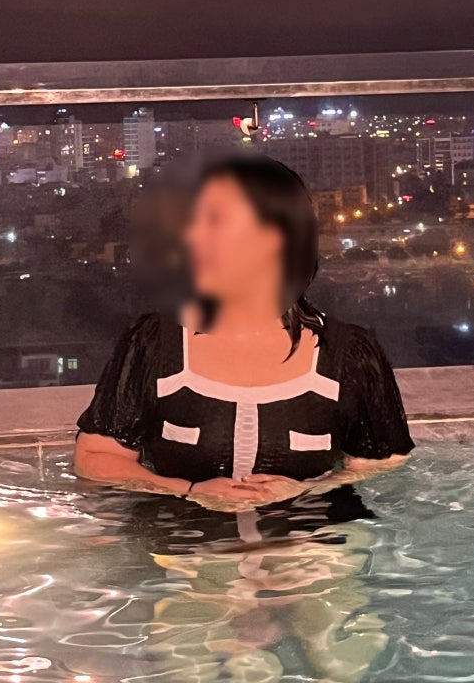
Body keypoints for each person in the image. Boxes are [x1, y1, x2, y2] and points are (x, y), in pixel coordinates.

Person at [75, 152, 414, 511]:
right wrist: (189, 490)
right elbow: (94, 457)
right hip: (181, 542)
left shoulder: (349, 354)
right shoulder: (153, 343)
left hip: (309, 542)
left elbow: (384, 466)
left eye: (214, 220)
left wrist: (306, 490)